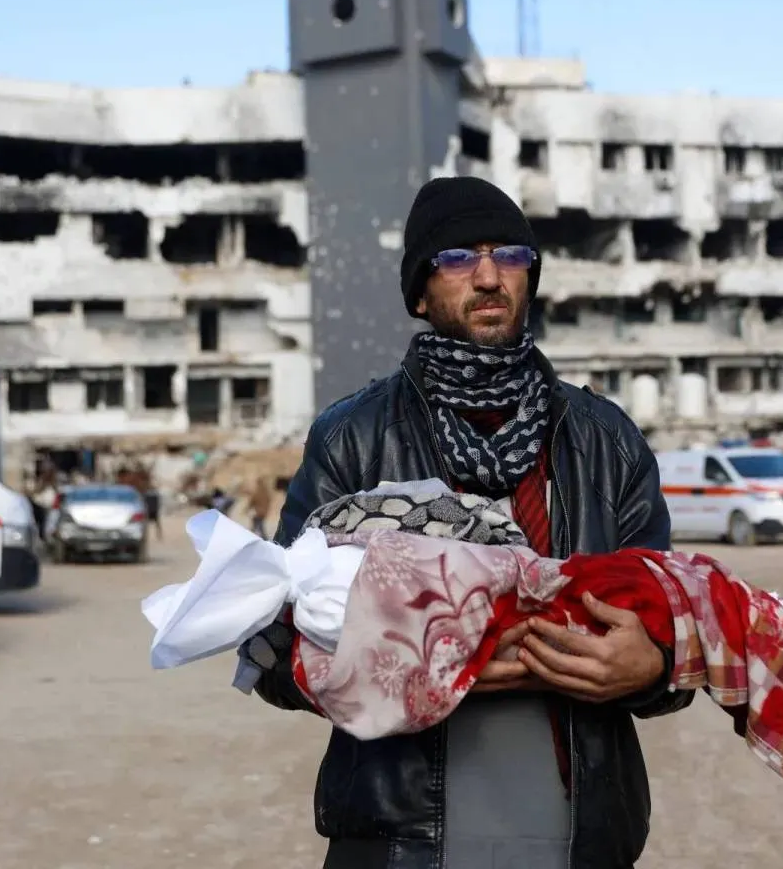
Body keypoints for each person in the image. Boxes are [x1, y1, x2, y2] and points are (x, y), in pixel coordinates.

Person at [240, 175, 694, 869]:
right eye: (457, 258)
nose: (487, 276)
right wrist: (408, 660)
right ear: (421, 292)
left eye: (508, 254)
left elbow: (680, 618)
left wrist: (652, 667)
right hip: (401, 839)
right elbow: (273, 646)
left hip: (580, 838)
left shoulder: (606, 440)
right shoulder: (352, 440)